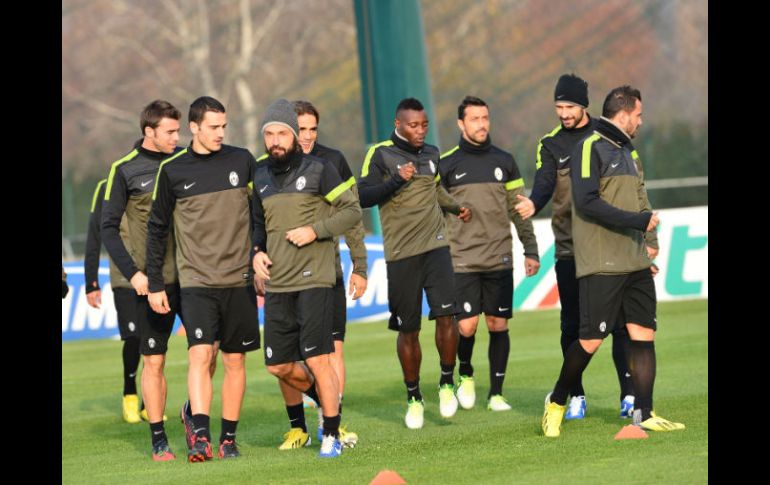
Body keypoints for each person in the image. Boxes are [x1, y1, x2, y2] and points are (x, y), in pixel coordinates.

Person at [540, 85, 685, 437]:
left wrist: (647, 242)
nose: (640, 121)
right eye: (638, 115)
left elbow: (640, 198)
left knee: (643, 334)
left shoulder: (628, 152)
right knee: (590, 340)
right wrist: (637, 223)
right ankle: (557, 401)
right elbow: (587, 203)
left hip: (633, 261)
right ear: (623, 114)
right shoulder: (587, 148)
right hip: (601, 262)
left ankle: (644, 412)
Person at [514, 74, 640, 419]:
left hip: (610, 246)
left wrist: (646, 239)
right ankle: (576, 395)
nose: (564, 113)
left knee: (619, 324)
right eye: (558, 107)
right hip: (570, 248)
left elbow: (633, 187)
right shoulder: (550, 144)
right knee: (571, 326)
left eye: (569, 106)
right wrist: (532, 203)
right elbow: (543, 183)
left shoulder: (607, 136)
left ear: (583, 105)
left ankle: (628, 396)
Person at [146, 96, 260, 461]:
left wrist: (258, 254)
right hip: (195, 281)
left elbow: (259, 213)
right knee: (199, 354)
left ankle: (228, 438)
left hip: (238, 279)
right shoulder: (174, 170)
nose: (220, 133)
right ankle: (200, 437)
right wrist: (155, 282)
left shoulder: (242, 161)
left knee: (234, 362)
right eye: (213, 127)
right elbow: (157, 228)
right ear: (194, 127)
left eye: (224, 126)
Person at [251, 98, 361, 458]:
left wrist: (315, 231)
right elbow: (257, 225)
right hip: (278, 284)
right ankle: (326, 401)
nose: (275, 141)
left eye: (282, 133)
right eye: (269, 134)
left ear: (295, 135)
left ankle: (330, 433)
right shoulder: (260, 175)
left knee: (318, 359)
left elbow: (351, 211)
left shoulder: (319, 169)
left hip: (316, 279)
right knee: (277, 365)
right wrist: (256, 253)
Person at [358, 97, 471, 429]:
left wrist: (455, 207)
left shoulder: (432, 154)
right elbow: (363, 197)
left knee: (448, 316)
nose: (420, 131)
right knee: (409, 330)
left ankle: (447, 383)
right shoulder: (380, 154)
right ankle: (414, 398)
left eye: (424, 125)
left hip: (436, 246)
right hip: (401, 255)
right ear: (398, 125)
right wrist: (396, 180)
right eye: (413, 125)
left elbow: (436, 192)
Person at [439, 96, 540, 412]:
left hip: (499, 255)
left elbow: (518, 208)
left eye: (485, 118)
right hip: (462, 258)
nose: (481, 124)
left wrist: (531, 249)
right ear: (461, 124)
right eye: (474, 119)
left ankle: (496, 393)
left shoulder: (505, 161)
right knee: (467, 325)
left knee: (498, 324)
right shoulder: (447, 164)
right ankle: (465, 373)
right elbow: (434, 211)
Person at [101, 100, 183, 461]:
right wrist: (134, 274)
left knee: (209, 353)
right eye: (170, 131)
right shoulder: (124, 170)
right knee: (154, 361)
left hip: (195, 278)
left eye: (178, 131)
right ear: (149, 132)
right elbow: (107, 228)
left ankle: (193, 413)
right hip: (153, 283)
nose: (176, 138)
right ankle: (159, 439)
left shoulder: (185, 160)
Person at [84, 177, 145, 424]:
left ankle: (149, 403)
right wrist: (91, 282)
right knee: (133, 338)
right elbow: (94, 234)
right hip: (124, 278)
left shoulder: (160, 176)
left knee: (154, 340)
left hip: (156, 276)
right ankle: (129, 395)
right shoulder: (105, 186)